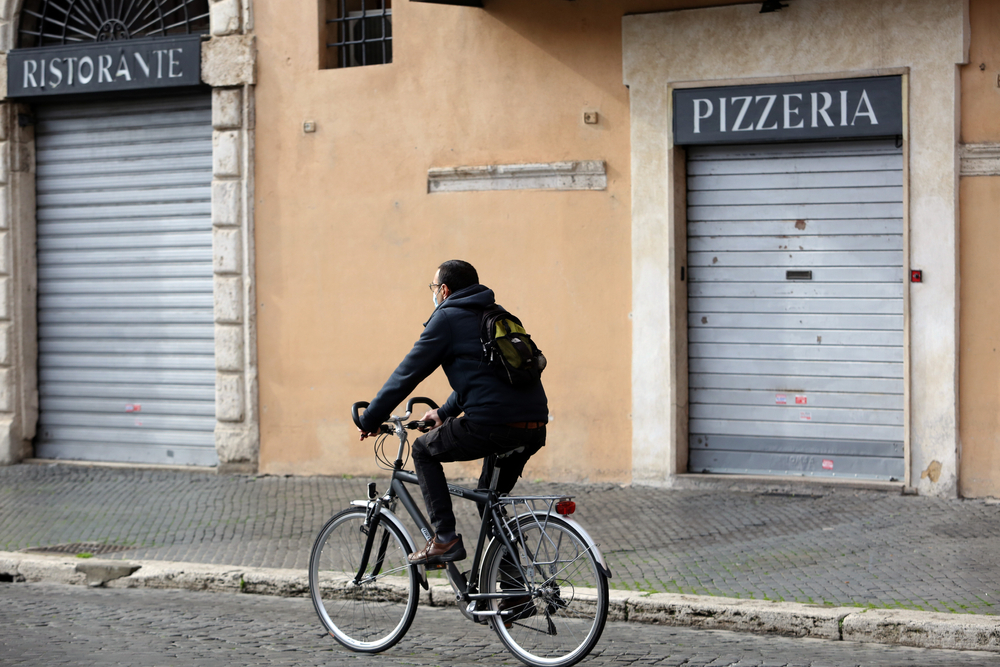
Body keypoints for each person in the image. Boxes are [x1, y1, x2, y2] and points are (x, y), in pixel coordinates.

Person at [357, 260, 548, 566]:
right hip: (535, 424)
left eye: (434, 288)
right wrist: (444, 412)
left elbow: (407, 374)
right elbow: (484, 379)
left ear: (444, 290)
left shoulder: (446, 317)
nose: (434, 294)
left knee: (423, 450)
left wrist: (370, 418)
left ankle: (445, 538)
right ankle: (515, 596)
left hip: (492, 423)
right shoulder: (497, 315)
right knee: (489, 501)